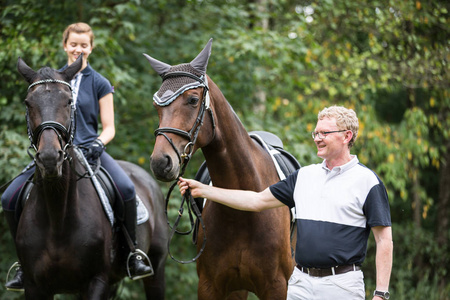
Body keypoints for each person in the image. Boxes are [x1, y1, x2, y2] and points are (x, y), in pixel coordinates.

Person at [178, 105, 393, 300]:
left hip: (342, 285)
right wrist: (204, 189)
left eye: (324, 133)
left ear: (347, 136)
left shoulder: (367, 182)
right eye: (316, 133)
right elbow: (256, 200)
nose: (317, 138)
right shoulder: (304, 176)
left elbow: (384, 241)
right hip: (301, 283)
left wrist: (381, 294)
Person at [2, 22, 152, 291]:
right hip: (56, 151)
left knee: (127, 189)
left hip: (91, 151)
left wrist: (97, 143)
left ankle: (133, 255)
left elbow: (110, 128)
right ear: (65, 45)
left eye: (84, 45)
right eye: (73, 44)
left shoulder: (100, 83)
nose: (78, 49)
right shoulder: (50, 84)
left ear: (91, 48)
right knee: (9, 196)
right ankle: (24, 265)